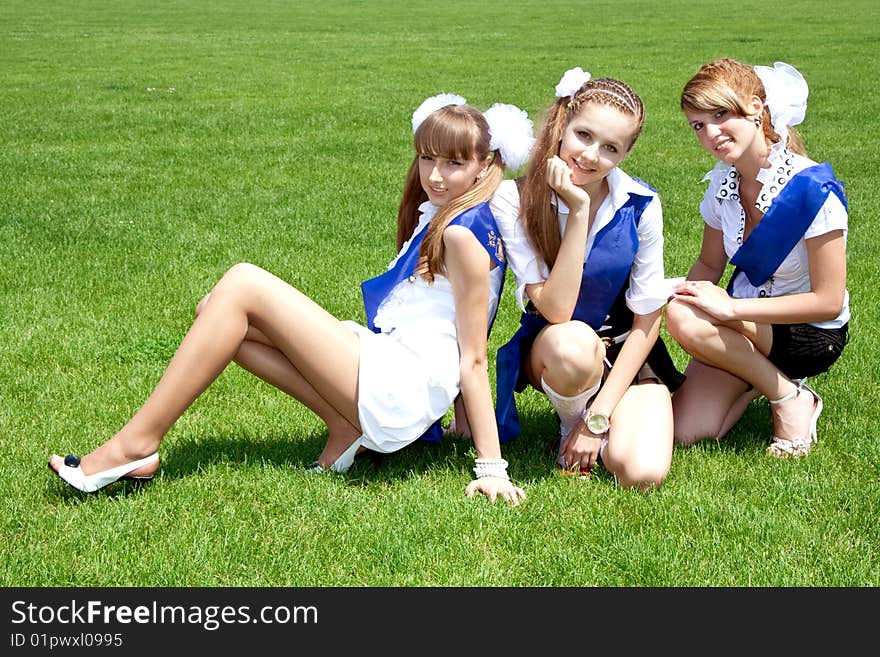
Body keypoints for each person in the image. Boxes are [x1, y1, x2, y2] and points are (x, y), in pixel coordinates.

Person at [49, 93, 533, 505]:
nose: (436, 175)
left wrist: (491, 467)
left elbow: (471, 356)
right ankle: (344, 426)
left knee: (241, 283)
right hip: (391, 364)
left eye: (454, 162)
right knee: (216, 318)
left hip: (402, 387)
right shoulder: (447, 216)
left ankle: (137, 443)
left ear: (486, 165)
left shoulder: (464, 235)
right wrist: (461, 422)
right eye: (427, 158)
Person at [492, 67, 684, 491]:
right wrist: (578, 212)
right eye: (584, 135)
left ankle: (598, 423)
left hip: (624, 352)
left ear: (626, 153)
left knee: (641, 473)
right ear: (563, 126)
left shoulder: (641, 204)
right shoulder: (514, 198)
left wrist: (599, 419)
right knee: (575, 342)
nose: (592, 155)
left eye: (611, 147)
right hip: (559, 348)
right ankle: (569, 426)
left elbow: (647, 322)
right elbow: (557, 310)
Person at [666, 58, 849, 458]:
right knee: (686, 432)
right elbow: (710, 266)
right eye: (698, 125)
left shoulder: (813, 189)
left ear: (755, 107)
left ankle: (790, 398)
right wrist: (670, 291)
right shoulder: (722, 185)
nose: (711, 133)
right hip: (748, 325)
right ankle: (758, 378)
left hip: (809, 332)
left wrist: (729, 309)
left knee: (683, 317)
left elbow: (828, 301)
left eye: (720, 114)